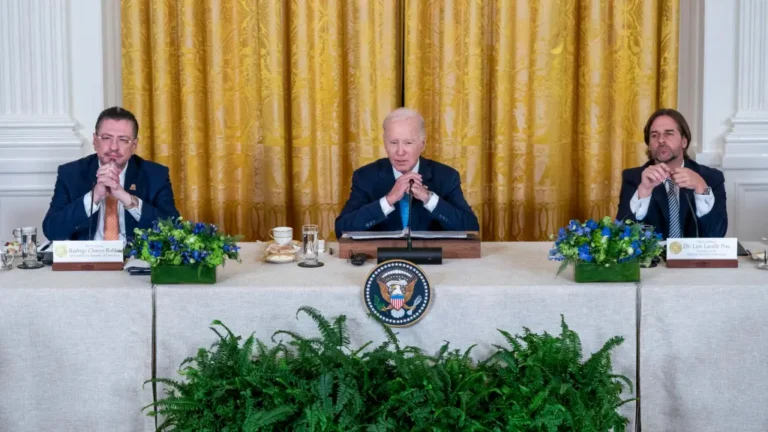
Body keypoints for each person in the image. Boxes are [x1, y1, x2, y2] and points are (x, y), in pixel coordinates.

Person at [335, 108, 479, 239]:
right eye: (393, 142)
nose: (400, 152)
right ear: (385, 143)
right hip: (380, 260)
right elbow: (341, 230)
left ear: (422, 144)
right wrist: (388, 200)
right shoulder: (365, 176)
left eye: (408, 143)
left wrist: (428, 198)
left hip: (432, 261)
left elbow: (471, 229)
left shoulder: (446, 176)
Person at [43, 107, 180, 241]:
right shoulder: (71, 174)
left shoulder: (156, 175)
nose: (114, 147)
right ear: (95, 141)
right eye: (107, 138)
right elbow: (51, 231)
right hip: (88, 260)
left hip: (134, 260)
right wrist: (94, 196)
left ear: (134, 145)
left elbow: (174, 230)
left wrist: (126, 198)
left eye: (123, 140)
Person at [616, 108, 727, 239]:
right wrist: (644, 191)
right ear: (649, 145)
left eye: (668, 133)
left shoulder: (711, 178)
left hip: (694, 258)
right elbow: (622, 236)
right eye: (654, 135)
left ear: (684, 141)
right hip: (654, 259)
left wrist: (701, 189)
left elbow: (716, 235)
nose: (661, 140)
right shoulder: (634, 178)